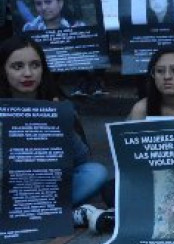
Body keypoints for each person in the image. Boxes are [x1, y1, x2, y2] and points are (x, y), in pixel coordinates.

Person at [0, 36, 111, 232]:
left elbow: (82, 159)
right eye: (17, 67)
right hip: (9, 188)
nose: (28, 73)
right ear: (3, 71)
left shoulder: (57, 105)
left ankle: (46, 213)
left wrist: (63, 123)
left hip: (50, 186)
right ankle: (60, 214)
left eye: (35, 65)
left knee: (95, 172)